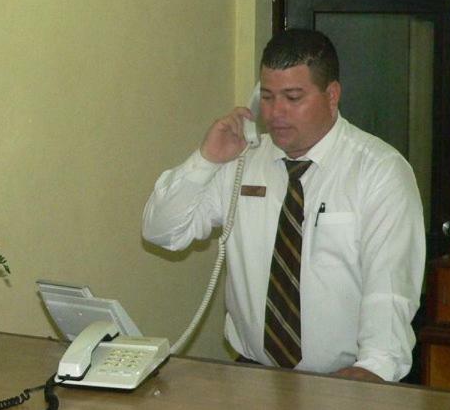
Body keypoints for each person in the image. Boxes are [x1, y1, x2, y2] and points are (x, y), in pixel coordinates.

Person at [142, 28, 424, 382]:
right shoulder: (244, 161)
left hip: (345, 381)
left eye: (293, 97)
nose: (276, 113)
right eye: (269, 97)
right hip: (252, 379)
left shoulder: (379, 171)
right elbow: (162, 232)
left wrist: (373, 371)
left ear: (332, 95)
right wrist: (206, 160)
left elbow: (390, 288)